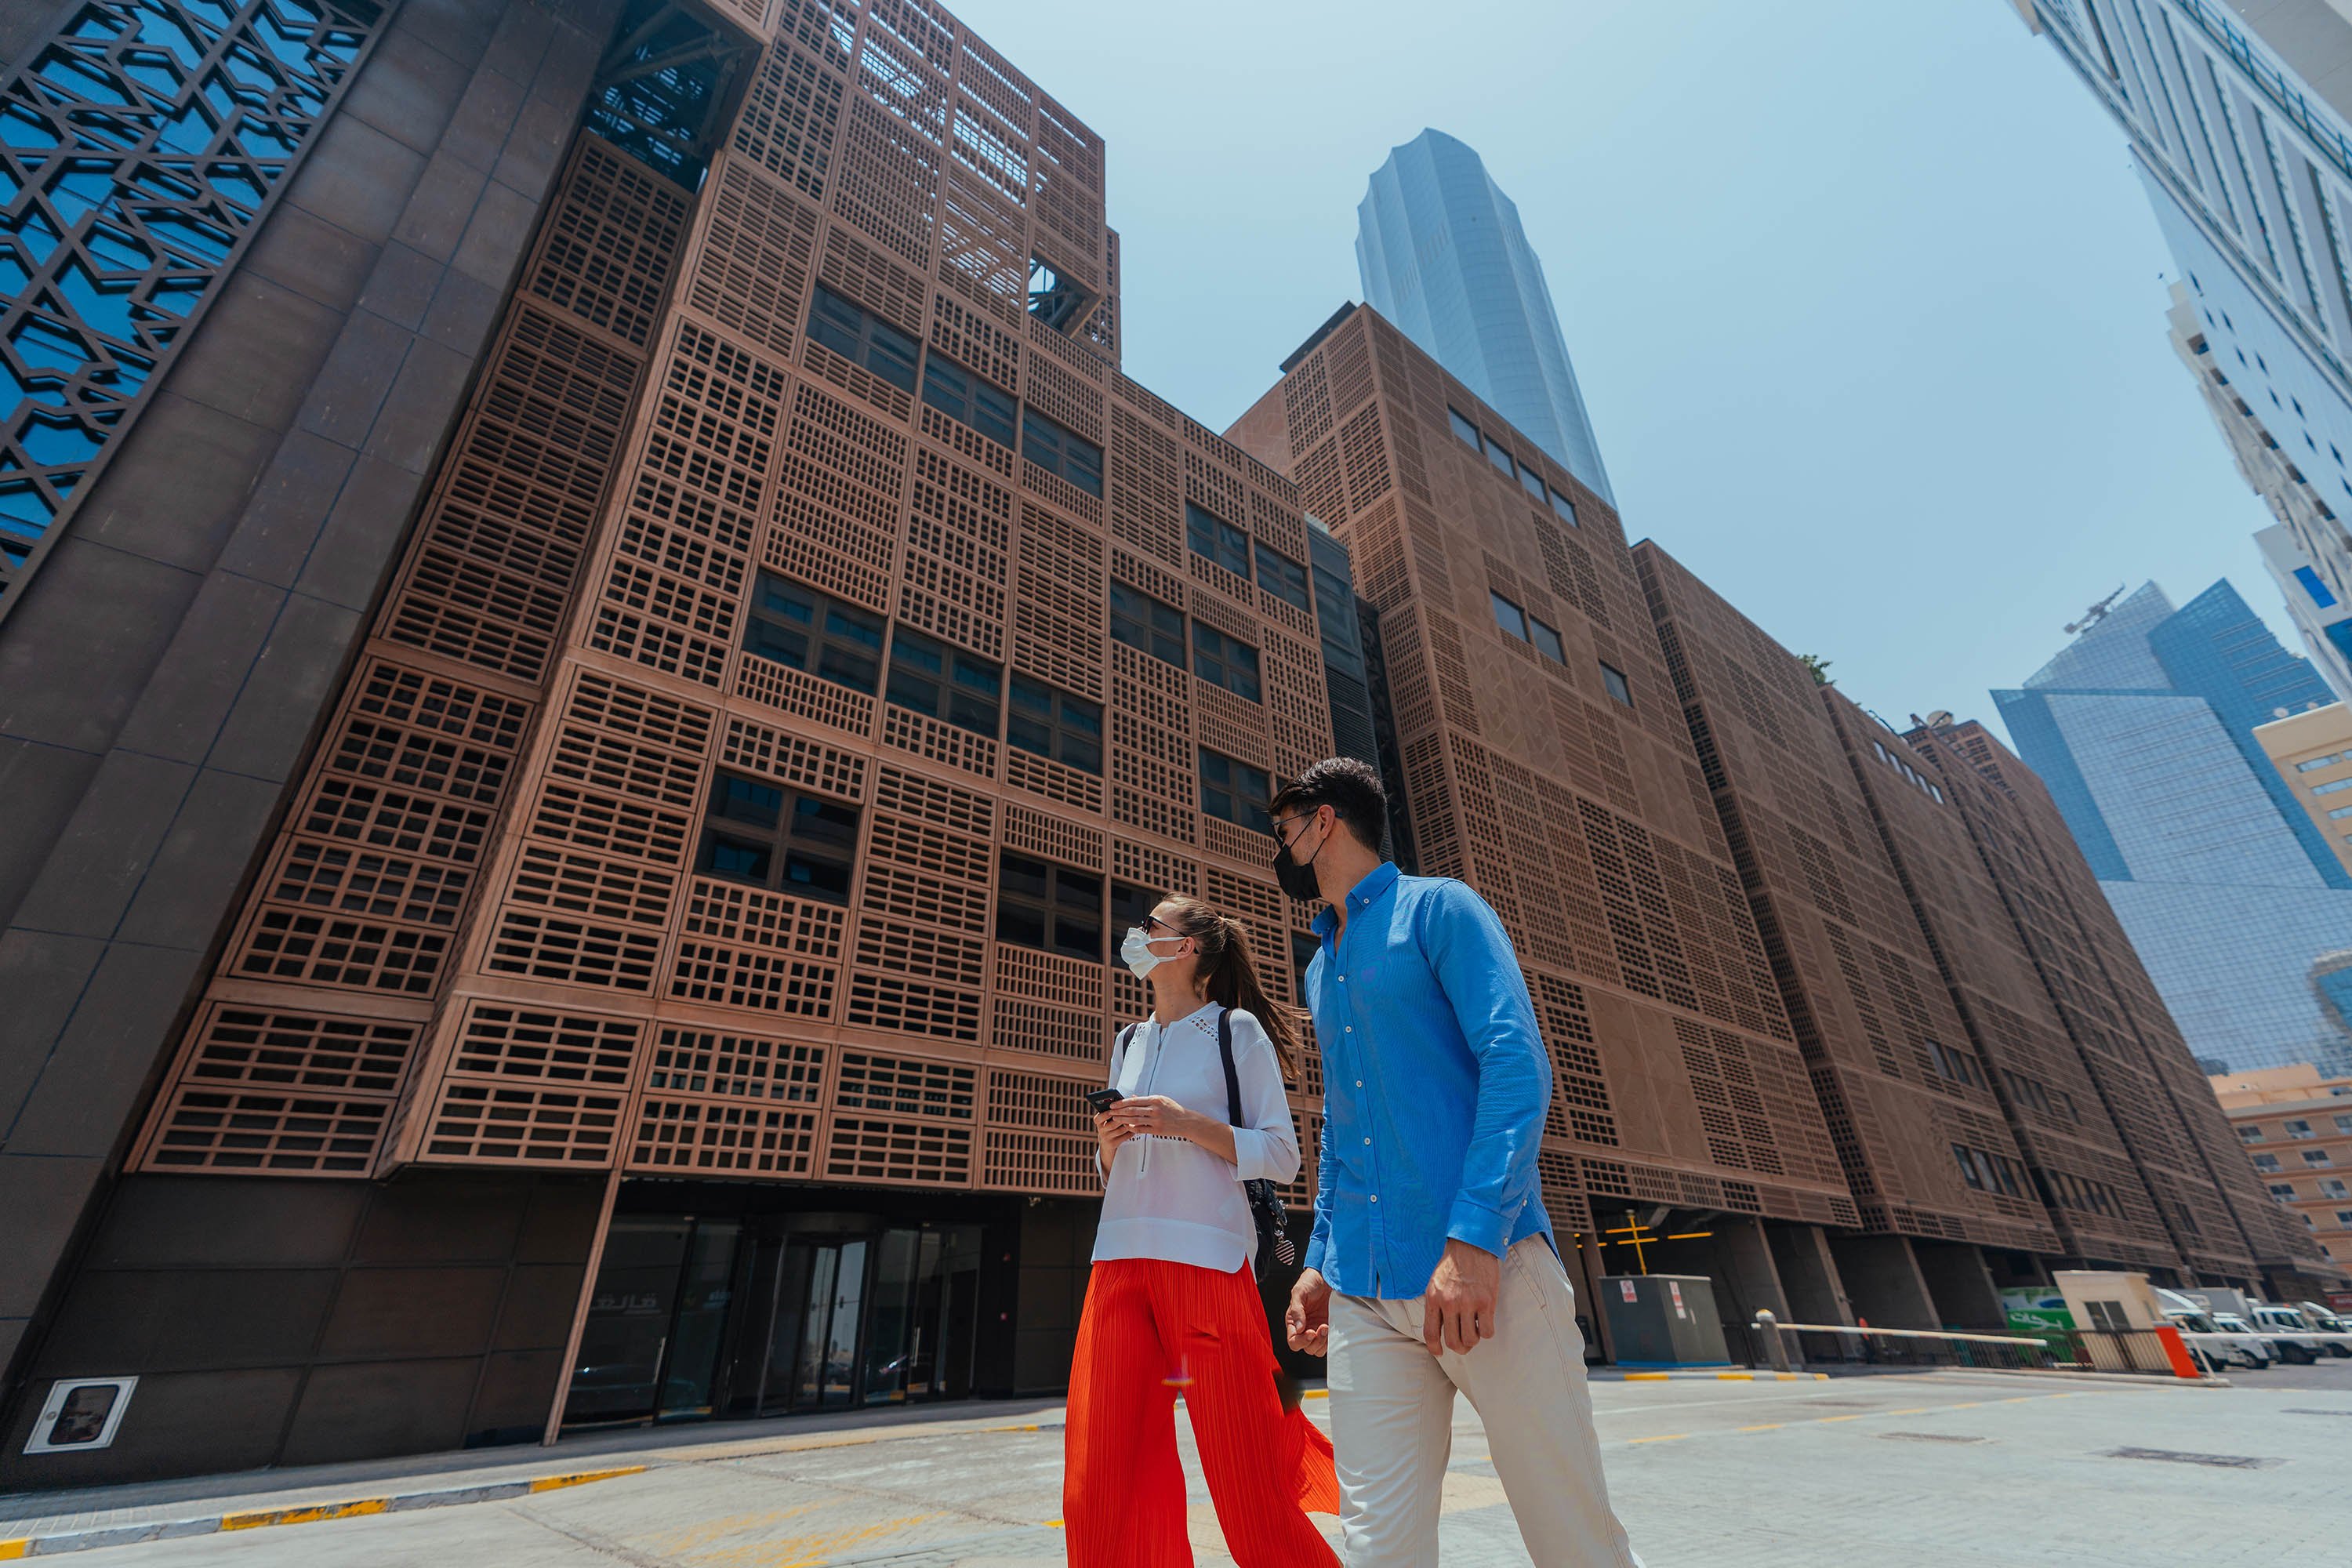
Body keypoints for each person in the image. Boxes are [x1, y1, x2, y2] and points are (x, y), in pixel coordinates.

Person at [1276, 757, 1640, 1567]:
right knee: (1378, 1547)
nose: (1283, 845)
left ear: (1323, 819)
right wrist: (1322, 1259)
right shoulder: (1320, 963)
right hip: (1367, 1298)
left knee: (1573, 1538)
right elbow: (1345, 1120)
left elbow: (1517, 1067)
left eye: (1286, 826)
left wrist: (1474, 1237)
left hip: (1489, 1275)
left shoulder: (1441, 908)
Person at [1062, 894, 1341, 1567]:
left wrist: (1183, 1122)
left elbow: (1282, 1155)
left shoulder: (1234, 1030)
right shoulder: (1128, 1040)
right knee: (1098, 1478)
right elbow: (1112, 1171)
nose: (1136, 935)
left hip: (1207, 1264)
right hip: (1119, 1258)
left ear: (1186, 948)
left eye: (1150, 927)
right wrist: (1108, 1141)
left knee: (1244, 1477)